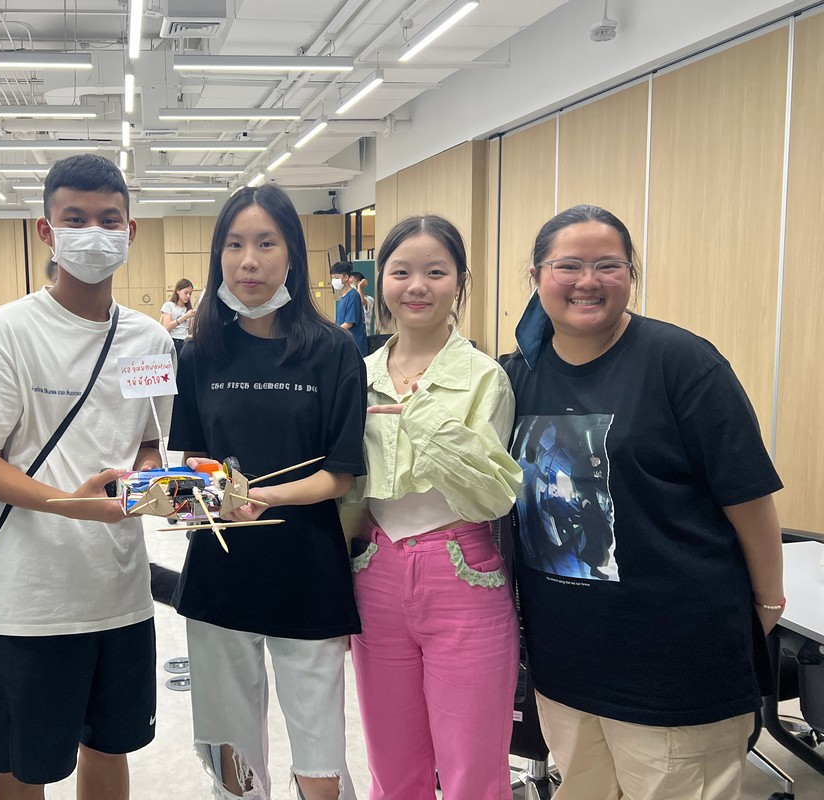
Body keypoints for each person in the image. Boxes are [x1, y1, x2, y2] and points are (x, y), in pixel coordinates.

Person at [502, 204, 784, 800]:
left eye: (609, 265)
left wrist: (766, 602)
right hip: (565, 663)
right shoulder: (520, 374)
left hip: (675, 663)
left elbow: (750, 499)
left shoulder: (682, 363)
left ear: (631, 273)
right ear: (536, 275)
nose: (588, 281)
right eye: (568, 265)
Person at [0, 153, 173, 800]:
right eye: (76, 219)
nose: (94, 233)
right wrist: (69, 504)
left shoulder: (152, 341)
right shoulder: (6, 333)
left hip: (121, 592)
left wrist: (150, 483)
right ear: (47, 230)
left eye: (109, 220)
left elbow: (149, 443)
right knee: (25, 769)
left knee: (110, 749)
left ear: (130, 231)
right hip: (29, 603)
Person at [169, 184, 366, 800]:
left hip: (309, 570)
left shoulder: (332, 351)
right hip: (220, 570)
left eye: (265, 243)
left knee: (320, 747)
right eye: (234, 245)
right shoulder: (200, 353)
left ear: (292, 254)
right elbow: (192, 457)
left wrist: (269, 497)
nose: (248, 261)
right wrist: (191, 489)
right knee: (231, 747)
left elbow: (340, 474)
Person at [345, 215, 522, 799]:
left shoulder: (485, 378)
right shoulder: (356, 376)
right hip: (374, 571)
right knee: (392, 767)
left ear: (460, 281)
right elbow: (347, 490)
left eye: (436, 272)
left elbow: (491, 496)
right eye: (401, 272)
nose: (417, 286)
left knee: (474, 770)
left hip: (463, 574)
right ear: (381, 281)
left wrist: (423, 419)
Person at [330, 260, 368, 355]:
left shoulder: (353, 296)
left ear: (346, 277)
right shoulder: (343, 297)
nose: (334, 281)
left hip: (354, 346)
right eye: (332, 278)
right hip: (346, 344)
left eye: (336, 277)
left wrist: (333, 333)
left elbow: (348, 323)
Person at [160, 278, 196, 354]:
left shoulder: (188, 309)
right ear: (178, 291)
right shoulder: (169, 305)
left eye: (190, 293)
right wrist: (185, 317)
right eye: (186, 293)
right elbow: (166, 327)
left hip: (186, 341)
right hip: (173, 340)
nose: (188, 296)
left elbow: (190, 332)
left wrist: (193, 318)